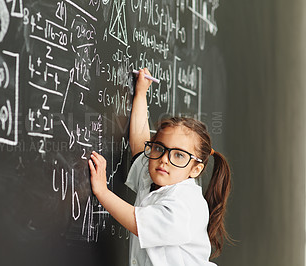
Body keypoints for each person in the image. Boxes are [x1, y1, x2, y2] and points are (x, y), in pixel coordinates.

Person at [88, 68, 232, 266]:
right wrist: (140, 94)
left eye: (179, 155)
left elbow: (138, 223)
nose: (164, 159)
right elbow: (140, 143)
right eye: (159, 148)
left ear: (195, 170)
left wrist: (102, 192)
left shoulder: (185, 204)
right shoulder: (154, 176)